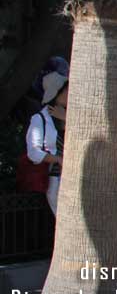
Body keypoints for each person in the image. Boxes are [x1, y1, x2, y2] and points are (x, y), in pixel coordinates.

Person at [25, 72, 69, 214]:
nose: (70, 93)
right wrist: (58, 159)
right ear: (56, 93)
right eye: (66, 90)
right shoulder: (39, 119)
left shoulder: (72, 116)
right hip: (56, 181)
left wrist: (66, 119)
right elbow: (33, 152)